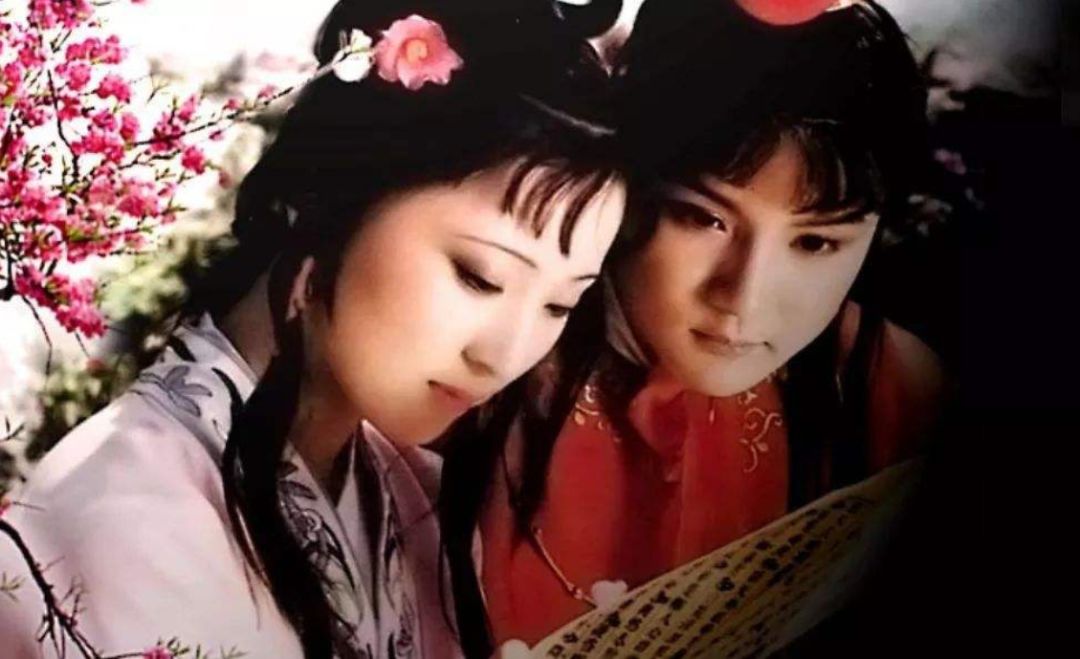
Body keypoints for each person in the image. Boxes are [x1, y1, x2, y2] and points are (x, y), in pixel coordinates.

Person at [0, 1, 627, 657]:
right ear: (325, 200)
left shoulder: (412, 497)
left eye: (559, 305)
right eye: (480, 276)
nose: (505, 355)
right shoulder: (126, 515)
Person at [439, 0, 948, 653]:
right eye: (704, 217)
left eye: (816, 243)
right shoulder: (481, 358)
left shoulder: (886, 391)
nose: (744, 299)